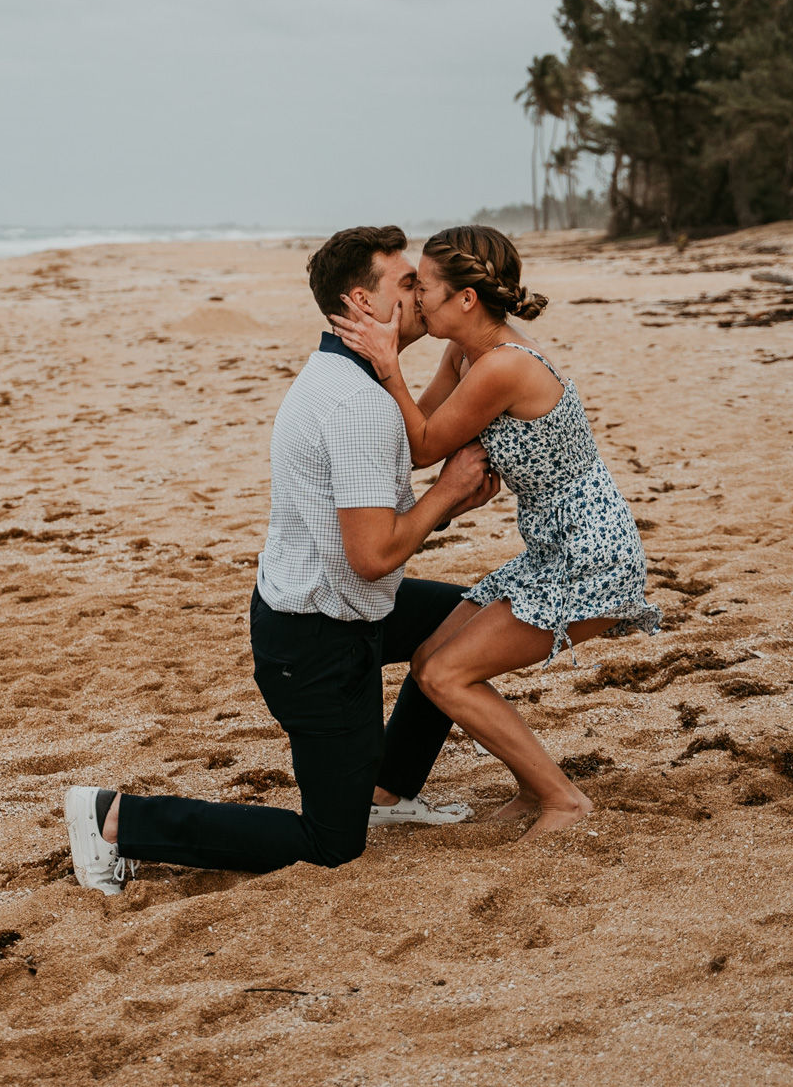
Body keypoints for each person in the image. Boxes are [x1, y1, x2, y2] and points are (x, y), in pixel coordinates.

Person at [64, 223, 501, 895]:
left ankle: (389, 791)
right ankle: (115, 817)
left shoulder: (354, 375)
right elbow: (371, 556)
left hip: (328, 609)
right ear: (362, 303)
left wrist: (451, 489)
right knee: (331, 844)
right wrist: (447, 494)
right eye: (406, 283)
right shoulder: (356, 403)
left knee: (468, 621)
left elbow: (400, 476)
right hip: (319, 644)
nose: (421, 295)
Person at [331, 223, 660, 839]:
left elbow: (427, 447)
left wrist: (385, 365)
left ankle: (565, 800)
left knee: (445, 674)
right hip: (552, 547)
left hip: (589, 554)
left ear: (465, 299)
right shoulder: (466, 354)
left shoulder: (504, 366)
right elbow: (416, 430)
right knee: (432, 653)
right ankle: (535, 786)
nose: (412, 300)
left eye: (422, 287)